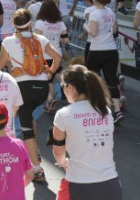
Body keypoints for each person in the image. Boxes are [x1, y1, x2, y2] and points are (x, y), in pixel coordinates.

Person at [0, 8, 61, 182]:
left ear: (14, 25)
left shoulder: (8, 41)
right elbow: (58, 57)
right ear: (30, 23)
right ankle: (35, 150)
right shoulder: (40, 39)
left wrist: (10, 66)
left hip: (22, 89)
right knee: (30, 118)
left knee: (26, 129)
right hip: (42, 89)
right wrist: (50, 73)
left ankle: (37, 169)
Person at [52, 65, 122, 200]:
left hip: (79, 184)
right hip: (111, 183)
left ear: (70, 87)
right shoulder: (105, 111)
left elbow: (58, 151)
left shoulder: (64, 114)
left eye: (62, 85)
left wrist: (63, 162)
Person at [84, 0, 124, 123]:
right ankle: (117, 111)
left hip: (97, 50)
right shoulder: (110, 12)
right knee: (112, 80)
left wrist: (86, 26)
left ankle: (94, 107)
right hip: (111, 49)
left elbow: (93, 33)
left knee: (91, 79)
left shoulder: (94, 14)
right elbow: (114, 31)